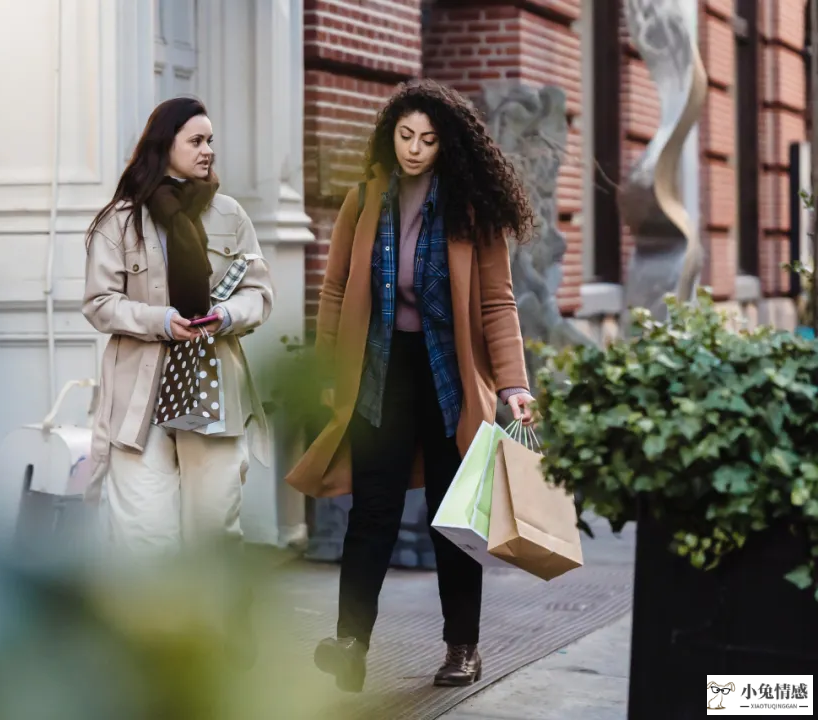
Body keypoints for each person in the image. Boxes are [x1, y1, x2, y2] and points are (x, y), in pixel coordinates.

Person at [286, 79, 537, 692]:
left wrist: (513, 385)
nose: (414, 149)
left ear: (446, 144)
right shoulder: (365, 199)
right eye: (405, 136)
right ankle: (350, 645)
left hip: (446, 373)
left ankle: (462, 647)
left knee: (450, 518)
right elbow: (337, 289)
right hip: (378, 372)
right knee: (371, 511)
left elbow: (498, 304)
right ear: (389, 136)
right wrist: (325, 373)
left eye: (427, 139)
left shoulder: (470, 209)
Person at [82, 97, 272, 559]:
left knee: (213, 536)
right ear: (165, 145)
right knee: (146, 539)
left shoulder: (230, 215)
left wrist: (225, 315)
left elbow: (259, 294)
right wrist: (161, 321)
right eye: (196, 141)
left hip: (212, 386)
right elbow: (99, 303)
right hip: (138, 398)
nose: (207, 150)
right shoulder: (121, 220)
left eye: (210, 141)